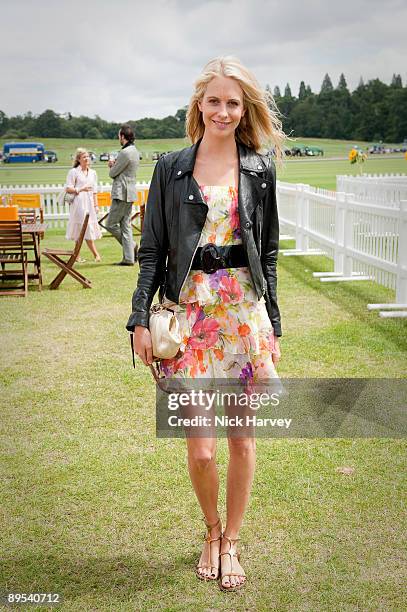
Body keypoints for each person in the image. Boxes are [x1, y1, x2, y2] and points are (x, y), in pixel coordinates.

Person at [127, 56, 285, 591]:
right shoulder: (170, 167)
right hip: (190, 317)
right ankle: (211, 531)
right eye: (214, 100)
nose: (223, 110)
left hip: (242, 318)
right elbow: (150, 250)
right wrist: (139, 320)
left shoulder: (259, 171)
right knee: (201, 447)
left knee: (241, 441)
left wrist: (274, 328)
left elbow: (269, 254)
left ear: (245, 111)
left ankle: (233, 541)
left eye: (233, 103)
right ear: (199, 104)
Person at [105, 125, 140, 266]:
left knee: (110, 224)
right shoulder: (135, 151)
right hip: (130, 192)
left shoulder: (125, 152)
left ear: (123, 136)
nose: (118, 138)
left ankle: (131, 247)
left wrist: (111, 165)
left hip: (122, 193)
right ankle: (129, 258)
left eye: (119, 136)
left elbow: (113, 173)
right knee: (125, 225)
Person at [65, 148, 101, 262]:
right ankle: (90, 255)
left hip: (90, 203)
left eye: (87, 156)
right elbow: (68, 188)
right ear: (79, 160)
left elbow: (94, 190)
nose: (86, 159)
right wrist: (81, 189)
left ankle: (85, 255)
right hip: (79, 203)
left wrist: (96, 205)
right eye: (84, 157)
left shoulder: (93, 173)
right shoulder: (74, 172)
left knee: (88, 228)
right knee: (81, 229)